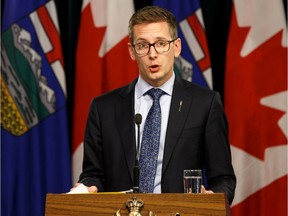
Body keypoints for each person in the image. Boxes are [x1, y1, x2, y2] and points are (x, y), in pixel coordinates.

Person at [73, 6, 236, 204]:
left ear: (176, 47)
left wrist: (212, 199)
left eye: (160, 43)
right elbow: (93, 175)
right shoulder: (103, 108)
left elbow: (223, 179)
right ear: (132, 51)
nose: (152, 54)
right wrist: (85, 188)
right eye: (142, 45)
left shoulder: (205, 103)